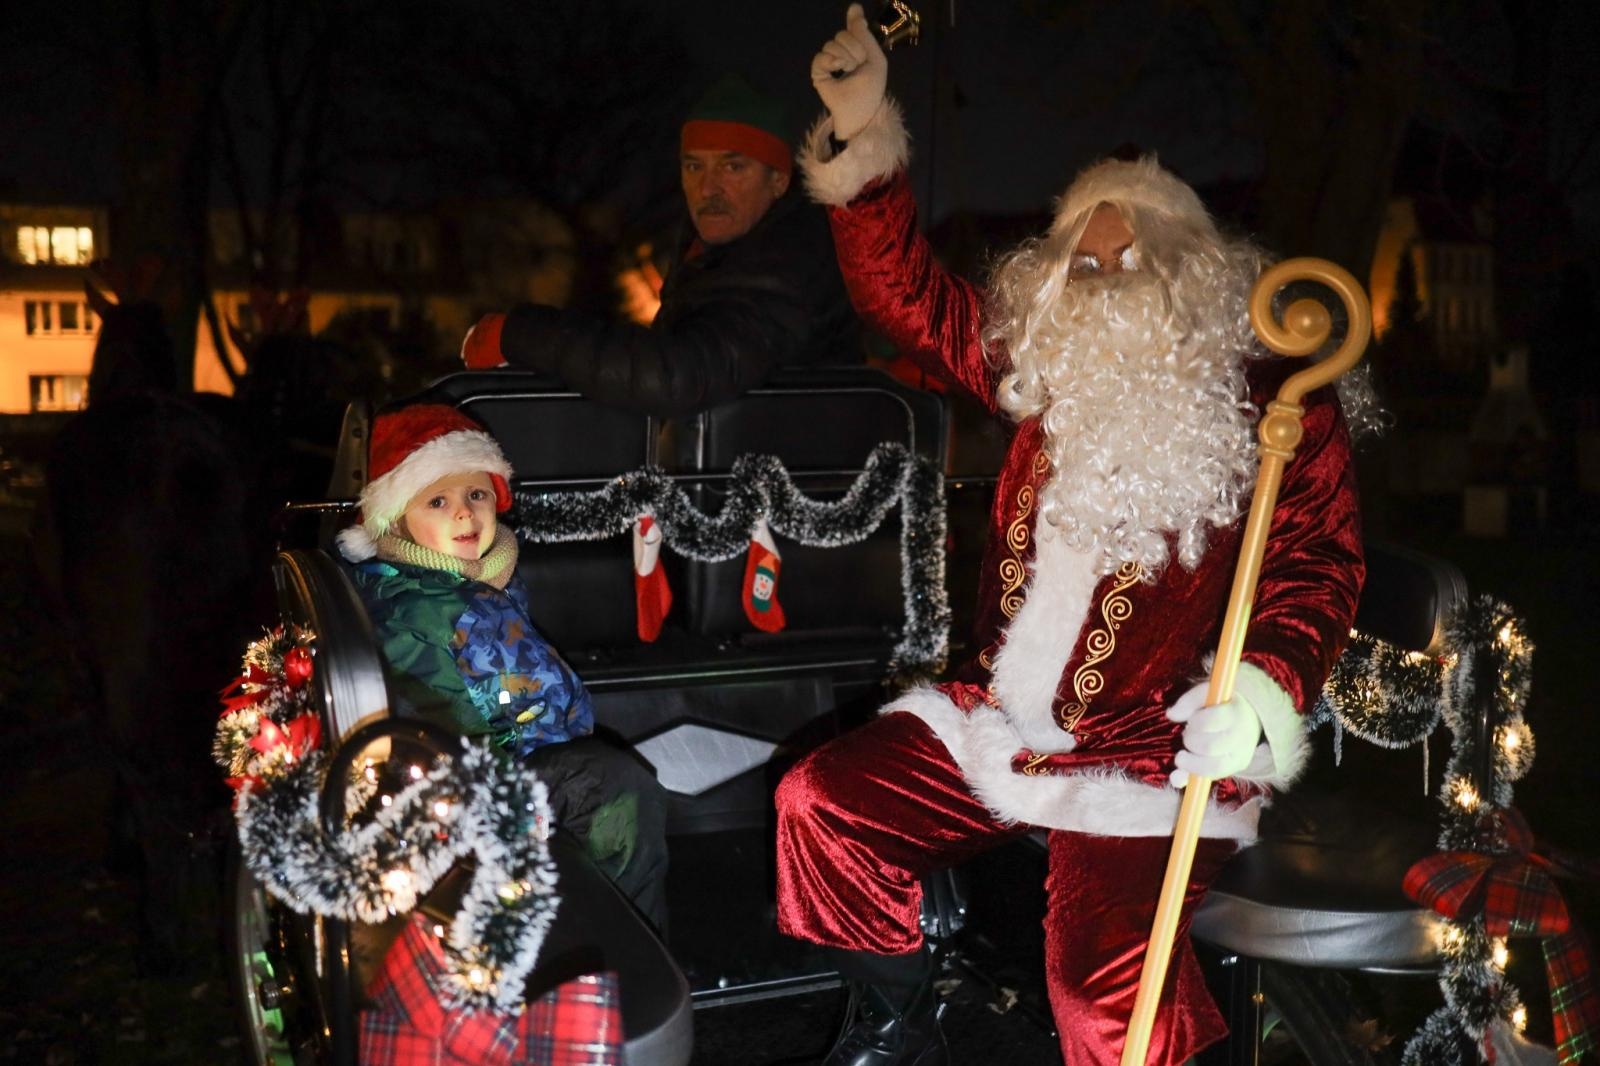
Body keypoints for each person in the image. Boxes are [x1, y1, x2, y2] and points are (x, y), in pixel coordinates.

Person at [773, 8, 1371, 1065]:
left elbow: (1316, 570)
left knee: (1108, 1001)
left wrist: (1262, 691)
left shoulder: (1269, 409)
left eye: (1130, 261)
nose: (1104, 287)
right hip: (1003, 720)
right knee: (821, 803)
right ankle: (903, 1022)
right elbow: (908, 301)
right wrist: (866, 145)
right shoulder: (1047, 373)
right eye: (1083, 269)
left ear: (1191, 269)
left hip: (1156, 754)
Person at [336, 404, 669, 932]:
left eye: (477, 494)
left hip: (458, 762)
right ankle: (636, 949)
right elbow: (548, 706)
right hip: (475, 782)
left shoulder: (424, 581)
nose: (465, 513)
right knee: (618, 791)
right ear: (395, 518)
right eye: (438, 501)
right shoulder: (448, 606)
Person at [459, 73, 862, 417]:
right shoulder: (718, 253)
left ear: (779, 180)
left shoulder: (788, 258)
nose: (708, 187)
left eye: (733, 166)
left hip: (781, 496)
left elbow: (679, 376)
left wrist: (520, 335)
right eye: (693, 166)